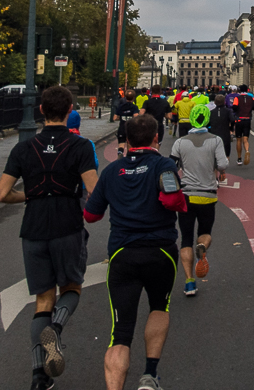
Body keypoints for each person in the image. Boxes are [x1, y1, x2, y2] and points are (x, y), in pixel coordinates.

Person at [0, 85, 99, 390]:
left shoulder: (23, 149)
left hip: (34, 228)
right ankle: (56, 326)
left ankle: (39, 376)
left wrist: (30, 194)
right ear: (70, 111)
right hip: (67, 224)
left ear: (41, 110)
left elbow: (1, 194)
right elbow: (94, 189)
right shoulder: (80, 147)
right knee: (71, 287)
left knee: (42, 298)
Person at [84, 114, 185, 390]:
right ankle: (149, 375)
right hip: (160, 251)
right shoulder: (164, 166)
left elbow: (91, 215)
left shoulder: (111, 171)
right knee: (159, 307)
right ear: (157, 138)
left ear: (127, 140)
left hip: (122, 254)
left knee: (120, 334)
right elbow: (174, 201)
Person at [170, 103, 228, 294]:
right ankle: (202, 247)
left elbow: (172, 166)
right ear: (207, 119)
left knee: (185, 238)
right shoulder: (216, 141)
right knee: (205, 232)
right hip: (207, 195)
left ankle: (189, 282)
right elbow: (222, 164)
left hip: (186, 195)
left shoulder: (180, 142)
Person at [231, 84, 254, 165]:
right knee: (245, 139)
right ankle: (247, 150)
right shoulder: (251, 98)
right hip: (247, 119)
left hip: (239, 119)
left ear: (239, 90)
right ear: (247, 90)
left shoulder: (237, 98)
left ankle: (239, 158)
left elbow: (234, 107)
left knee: (239, 139)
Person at [207, 95, 236, 165]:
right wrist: (231, 128)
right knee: (226, 153)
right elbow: (232, 120)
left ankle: (216, 171)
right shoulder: (228, 111)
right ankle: (224, 170)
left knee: (214, 154)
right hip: (225, 134)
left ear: (215, 102)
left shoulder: (211, 112)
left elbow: (207, 123)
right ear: (224, 102)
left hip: (214, 134)